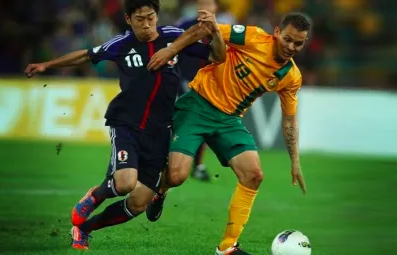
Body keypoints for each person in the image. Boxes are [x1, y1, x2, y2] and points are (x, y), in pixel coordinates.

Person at [24, 0, 226, 250]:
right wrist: (47, 65)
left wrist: (215, 31)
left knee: (139, 203)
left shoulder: (174, 37)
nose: (146, 24)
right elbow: (87, 55)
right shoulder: (121, 44)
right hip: (127, 124)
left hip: (161, 130)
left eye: (151, 17)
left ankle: (84, 229)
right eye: (140, 19)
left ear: (157, 16)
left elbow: (217, 56)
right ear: (129, 20)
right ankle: (97, 194)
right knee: (125, 183)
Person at [146, 13, 311, 255]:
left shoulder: (291, 76)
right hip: (198, 106)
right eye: (288, 39)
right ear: (277, 32)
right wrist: (171, 51)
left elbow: (289, 120)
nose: (291, 47)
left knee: (254, 175)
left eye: (298, 43)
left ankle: (226, 247)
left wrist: (295, 161)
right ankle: (160, 191)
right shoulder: (253, 37)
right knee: (178, 175)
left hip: (230, 120)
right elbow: (205, 29)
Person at [174, 0, 220, 182]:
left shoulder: (221, 30)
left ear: (216, 9)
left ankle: (197, 165)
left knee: (202, 124)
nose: (207, 8)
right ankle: (174, 161)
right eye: (203, 4)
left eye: (210, 5)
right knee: (179, 121)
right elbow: (173, 50)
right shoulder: (185, 25)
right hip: (183, 80)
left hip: (208, 85)